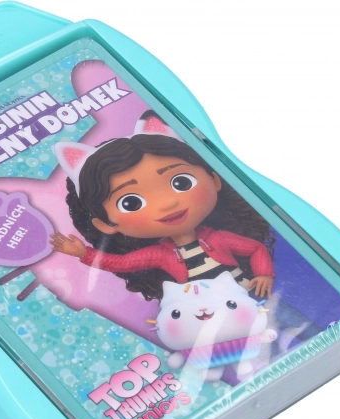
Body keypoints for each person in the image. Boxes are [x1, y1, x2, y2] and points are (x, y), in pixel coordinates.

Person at [50, 112, 275, 301]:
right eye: (131, 203)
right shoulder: (159, 255)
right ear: (106, 224)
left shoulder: (219, 239)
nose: (168, 203)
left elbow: (256, 249)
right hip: (204, 310)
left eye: (181, 182)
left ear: (214, 180)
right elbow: (121, 263)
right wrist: (84, 254)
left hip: (248, 295)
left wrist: (264, 274)